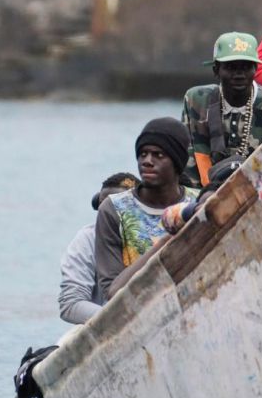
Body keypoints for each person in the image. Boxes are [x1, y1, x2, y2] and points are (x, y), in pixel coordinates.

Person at [95, 118, 199, 298]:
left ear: (177, 162)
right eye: (143, 154)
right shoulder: (114, 209)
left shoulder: (198, 204)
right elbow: (112, 294)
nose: (147, 161)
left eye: (158, 155)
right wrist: (166, 241)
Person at [182, 32, 262, 187]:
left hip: (259, 196)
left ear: (255, 68)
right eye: (231, 67)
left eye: (246, 67)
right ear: (216, 70)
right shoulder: (196, 100)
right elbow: (187, 162)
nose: (239, 75)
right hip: (202, 198)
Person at [58, 172, 138, 325]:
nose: (109, 216)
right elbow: (70, 304)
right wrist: (124, 320)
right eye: (105, 210)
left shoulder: (155, 233)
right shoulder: (87, 239)